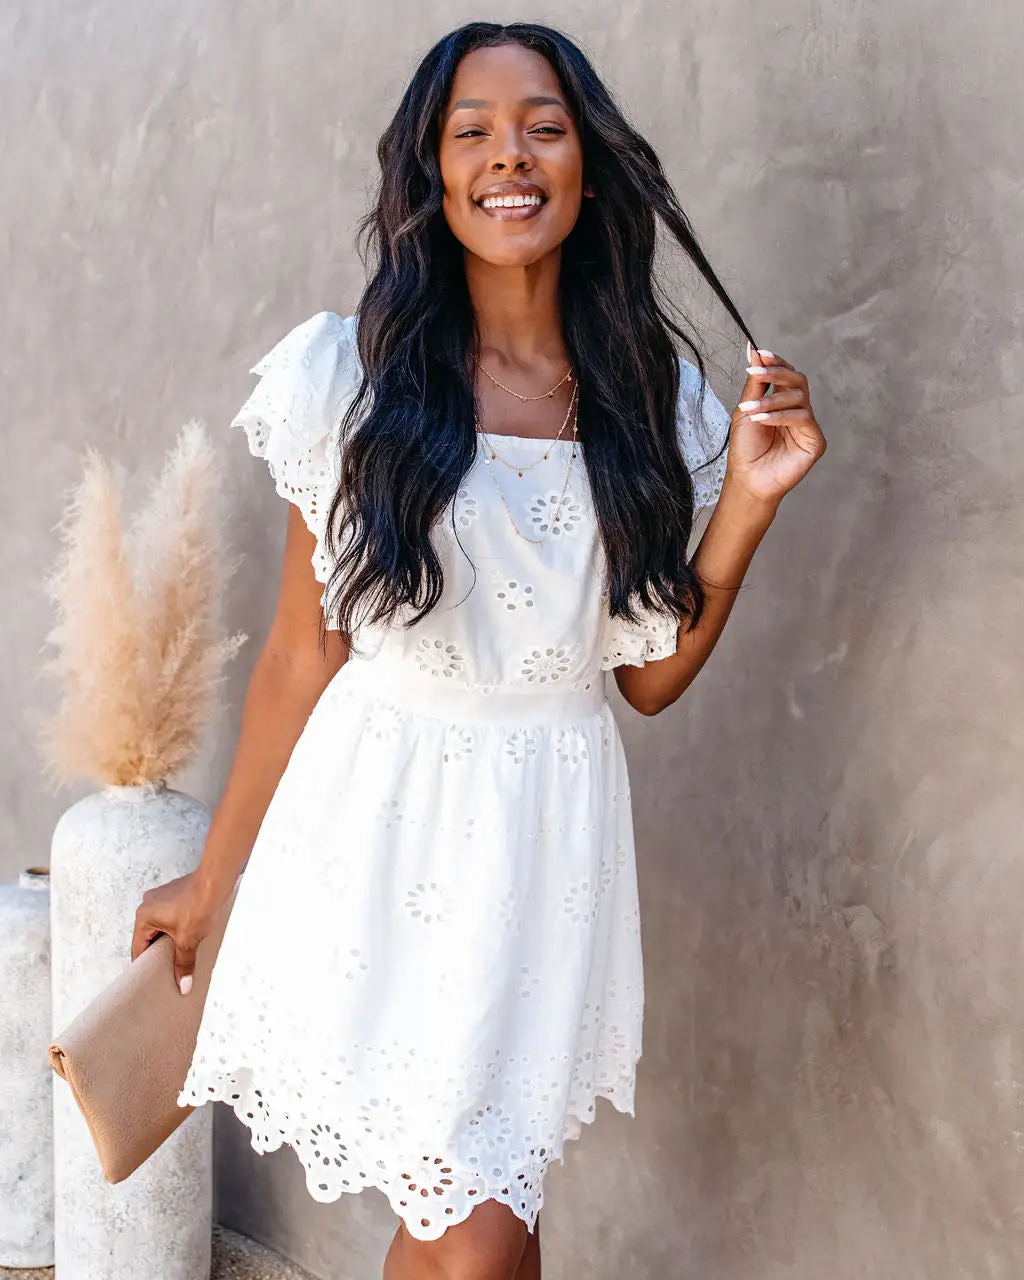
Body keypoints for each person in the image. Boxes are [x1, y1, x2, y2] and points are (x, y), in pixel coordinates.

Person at [132, 21, 824, 1280]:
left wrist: (748, 504)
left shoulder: (654, 401)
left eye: (544, 127)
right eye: (473, 132)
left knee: (479, 1220)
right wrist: (213, 878)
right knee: (476, 1225)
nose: (511, 155)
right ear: (433, 176)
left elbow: (647, 678)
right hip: (383, 824)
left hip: (546, 842)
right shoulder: (349, 379)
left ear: (588, 170)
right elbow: (299, 653)